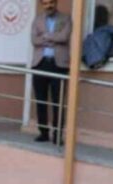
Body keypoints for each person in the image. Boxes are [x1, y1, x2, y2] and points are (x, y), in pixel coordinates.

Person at [30, 0, 71, 144]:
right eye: (46, 3)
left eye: (51, 2)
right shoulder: (37, 19)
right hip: (40, 63)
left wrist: (46, 37)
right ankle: (43, 132)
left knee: (58, 102)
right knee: (40, 100)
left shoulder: (66, 19)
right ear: (42, 4)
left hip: (58, 65)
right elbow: (34, 40)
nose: (49, 6)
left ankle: (58, 135)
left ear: (56, 3)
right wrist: (53, 38)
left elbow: (64, 37)